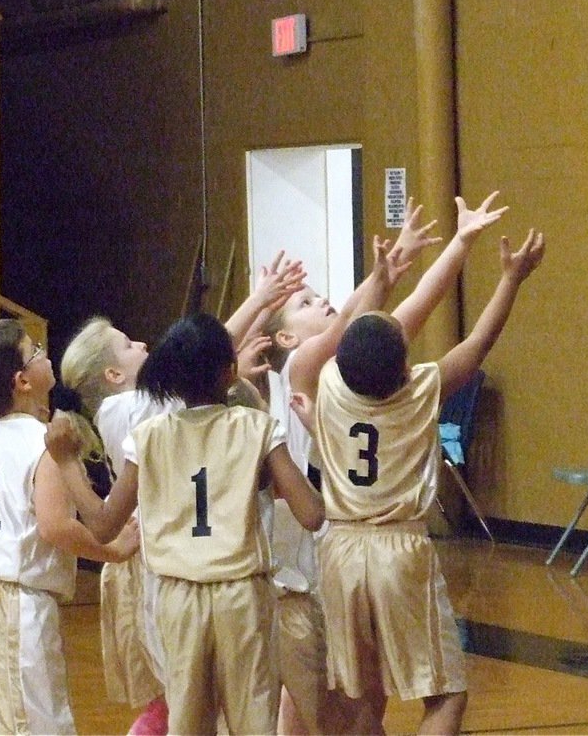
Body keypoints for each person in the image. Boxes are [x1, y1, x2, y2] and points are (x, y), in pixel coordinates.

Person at [296, 196, 545, 736]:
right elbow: (476, 344)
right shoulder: (420, 392)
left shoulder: (329, 386)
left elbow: (377, 326)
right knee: (446, 697)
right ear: (406, 366)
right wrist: (509, 279)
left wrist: (445, 249)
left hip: (338, 551)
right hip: (396, 549)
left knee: (363, 701)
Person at [55, 253, 304, 735]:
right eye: (128, 344)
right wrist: (257, 300)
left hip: (187, 563)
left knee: (195, 706)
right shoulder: (126, 410)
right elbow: (196, 364)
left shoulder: (150, 411)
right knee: (193, 707)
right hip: (168, 573)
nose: (143, 343)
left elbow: (198, 369)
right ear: (112, 375)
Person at [259, 198, 441, 735]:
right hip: (301, 575)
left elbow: (369, 328)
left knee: (325, 706)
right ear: (288, 338)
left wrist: (389, 273)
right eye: (310, 303)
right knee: (349, 712)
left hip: (320, 568)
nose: (327, 305)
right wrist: (383, 280)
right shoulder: (301, 371)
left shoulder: (329, 384)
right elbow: (363, 327)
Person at [0, 318, 139, 736]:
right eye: (35, 351)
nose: (44, 353)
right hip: (10, 597)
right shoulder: (43, 442)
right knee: (34, 725)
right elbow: (55, 527)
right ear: (23, 382)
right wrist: (114, 549)